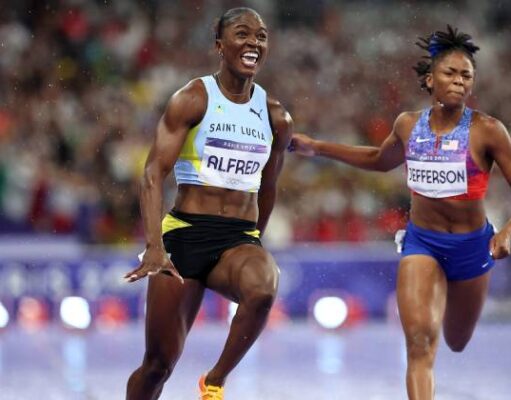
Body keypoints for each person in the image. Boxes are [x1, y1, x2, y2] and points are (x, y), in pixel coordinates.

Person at [289, 25, 511, 399]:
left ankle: (446, 298)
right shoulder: (408, 125)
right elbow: (379, 159)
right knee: (419, 344)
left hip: (472, 248)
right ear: (430, 79)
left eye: (466, 75)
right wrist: (317, 147)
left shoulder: (488, 131)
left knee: (456, 340)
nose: (459, 81)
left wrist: (507, 231)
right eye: (450, 73)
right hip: (422, 244)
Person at [124, 7, 292, 400]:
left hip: (237, 238)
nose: (253, 42)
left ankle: (214, 380)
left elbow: (268, 187)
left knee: (263, 289)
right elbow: (153, 173)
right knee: (158, 365)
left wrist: (254, 240)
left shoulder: (276, 117)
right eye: (242, 33)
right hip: (184, 236)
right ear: (219, 45)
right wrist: (154, 245)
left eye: (261, 36)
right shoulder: (192, 98)